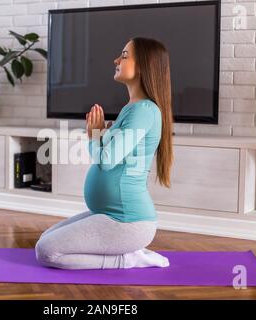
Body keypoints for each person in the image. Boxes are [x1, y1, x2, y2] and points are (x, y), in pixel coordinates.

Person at [35, 37, 174, 269]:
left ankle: (127, 258)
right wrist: (99, 135)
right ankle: (125, 252)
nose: (116, 60)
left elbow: (107, 160)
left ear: (143, 65)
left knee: (47, 252)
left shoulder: (144, 111)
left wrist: (95, 136)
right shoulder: (133, 109)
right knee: (45, 239)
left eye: (124, 55)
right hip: (110, 216)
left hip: (127, 222)